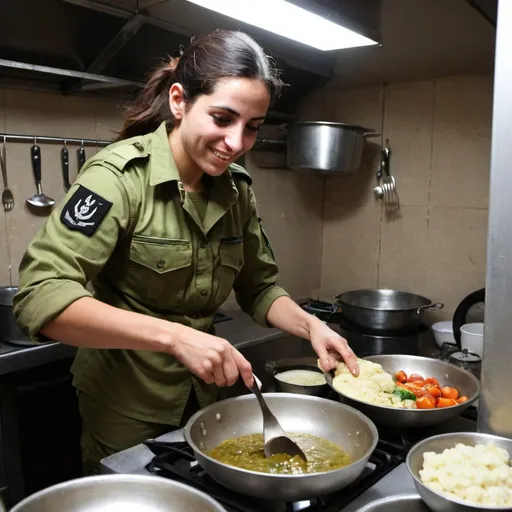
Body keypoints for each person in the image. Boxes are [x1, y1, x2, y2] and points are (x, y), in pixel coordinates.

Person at [13, 29, 359, 476]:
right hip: (125, 405)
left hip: (206, 400)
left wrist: (311, 325)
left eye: (252, 127)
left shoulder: (237, 191)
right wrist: (176, 338)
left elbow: (260, 288)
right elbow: (40, 296)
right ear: (179, 100)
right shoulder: (118, 178)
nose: (236, 143)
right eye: (222, 118)